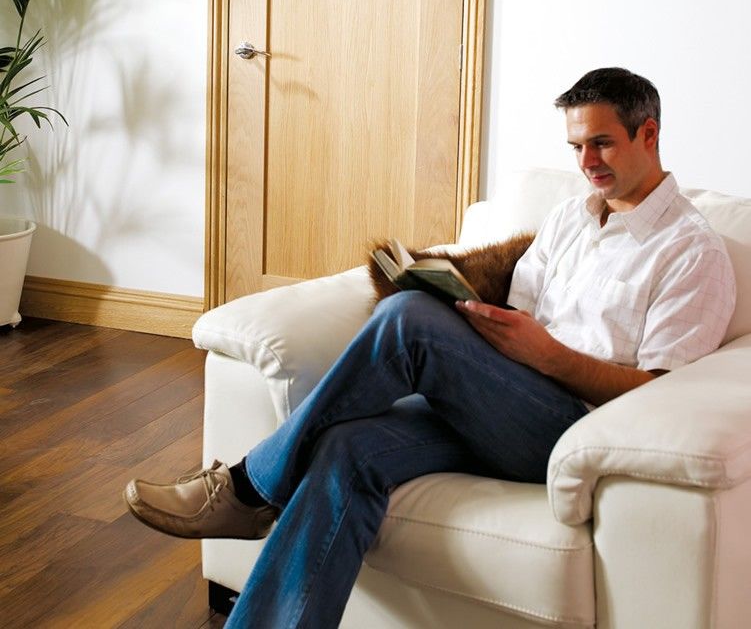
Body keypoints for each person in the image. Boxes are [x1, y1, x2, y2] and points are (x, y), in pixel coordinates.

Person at [124, 67, 736, 628]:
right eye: (576, 147)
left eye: (601, 143)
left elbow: (659, 391)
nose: (586, 162)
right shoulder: (571, 219)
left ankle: (249, 489)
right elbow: (519, 313)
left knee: (407, 316)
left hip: (575, 430)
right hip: (504, 399)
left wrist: (545, 354)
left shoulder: (691, 252)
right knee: (348, 445)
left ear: (648, 133)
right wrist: (474, 321)